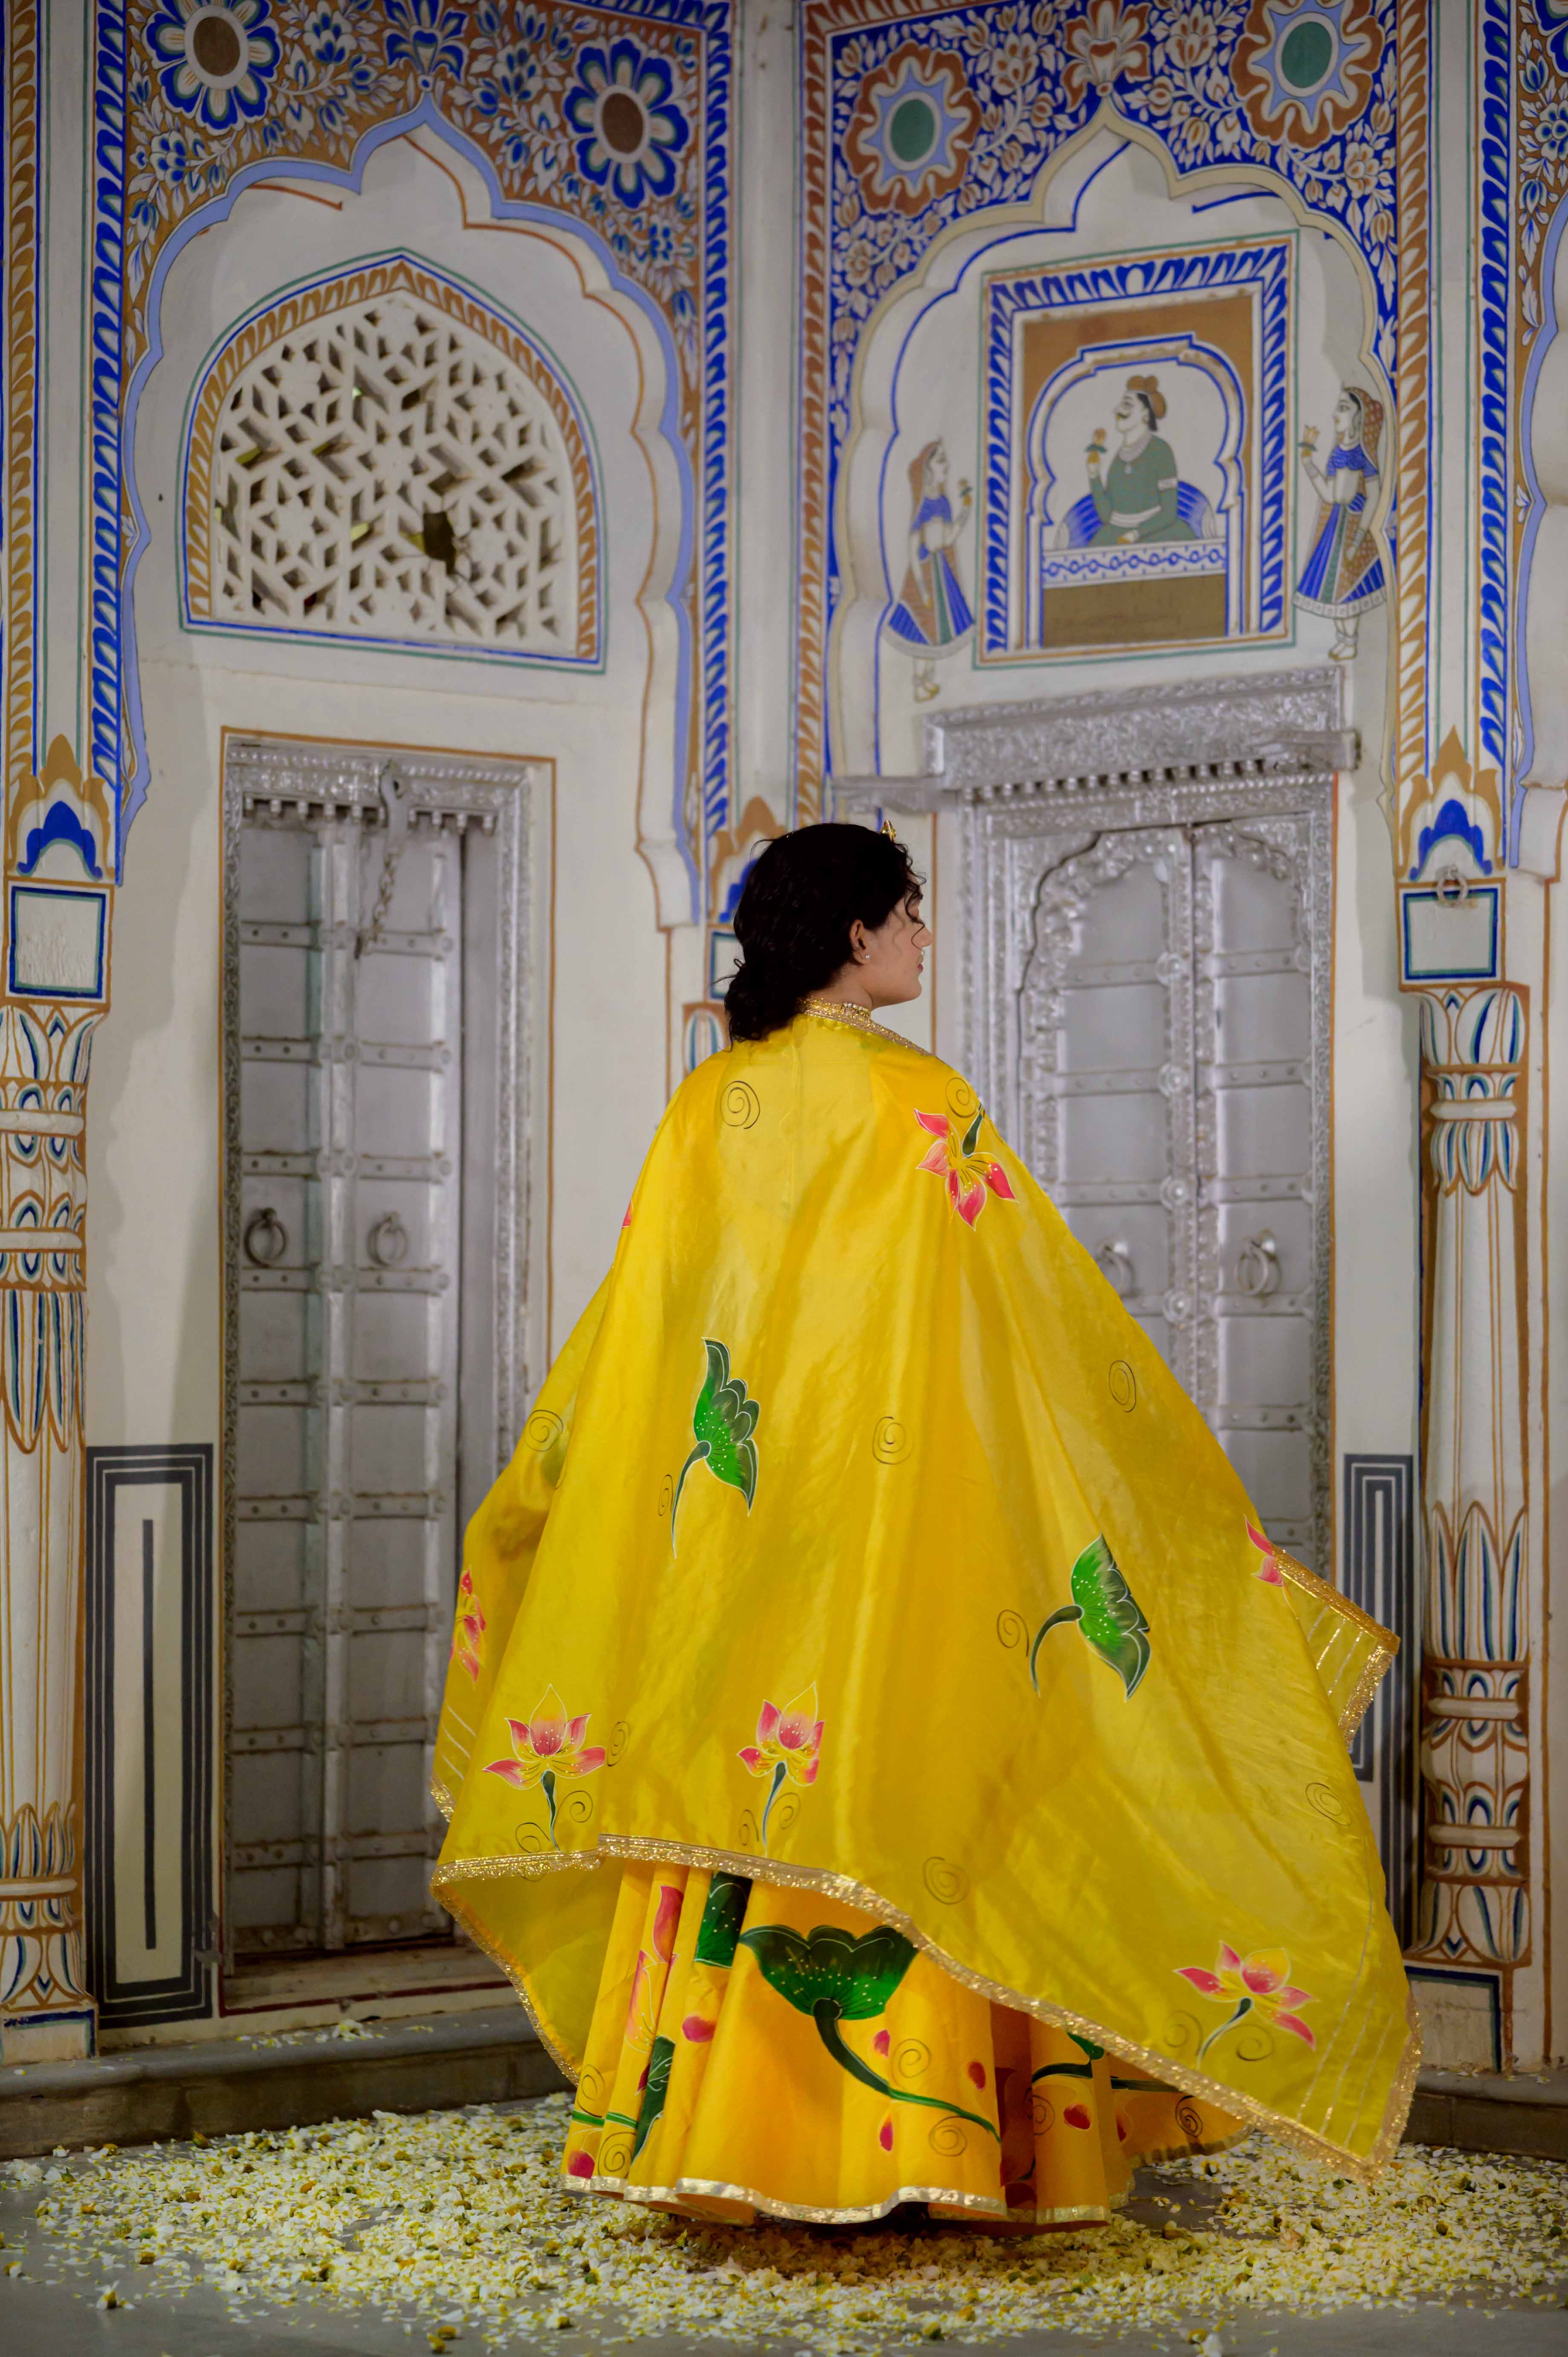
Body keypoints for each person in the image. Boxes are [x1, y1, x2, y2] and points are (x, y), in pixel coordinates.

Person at [431, 822, 1415, 2227]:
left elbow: (642, 1332)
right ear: (852, 934)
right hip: (900, 1540)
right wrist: (1154, 1505)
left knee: (754, 1778)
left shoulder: (712, 1104)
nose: (923, 938)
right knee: (920, 1783)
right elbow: (1036, 1334)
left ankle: (736, 2136)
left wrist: (551, 1486)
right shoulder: (914, 1102)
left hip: (745, 1549)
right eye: (908, 913)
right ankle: (934, 2148)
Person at [1295, 386, 1387, 660]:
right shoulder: (1336, 454)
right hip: (1336, 526)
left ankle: (1351, 640)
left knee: (1349, 589)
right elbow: (1329, 495)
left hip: (1356, 525)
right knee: (1331, 589)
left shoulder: (1363, 454)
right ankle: (1344, 640)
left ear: (1359, 417)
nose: (1336, 414)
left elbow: (1374, 496)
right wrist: (1309, 464)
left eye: (1344, 408)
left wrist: (1360, 537)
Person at [883, 439, 973, 703]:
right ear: (928, 469)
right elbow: (914, 549)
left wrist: (966, 509)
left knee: (937, 632)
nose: (946, 465)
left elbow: (948, 537)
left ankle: (929, 681)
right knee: (921, 629)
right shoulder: (922, 505)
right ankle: (919, 683)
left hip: (941, 573)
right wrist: (921, 587)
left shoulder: (944, 502)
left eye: (945, 458)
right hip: (923, 573)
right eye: (940, 460)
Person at [1087, 377, 1195, 546]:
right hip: (1115, 533)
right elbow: (1106, 516)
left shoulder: (1160, 450)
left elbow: (1169, 513)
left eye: (1128, 404)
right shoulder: (1118, 459)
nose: (1117, 410)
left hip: (1156, 532)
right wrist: (1094, 475)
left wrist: (1136, 534)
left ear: (1146, 412)